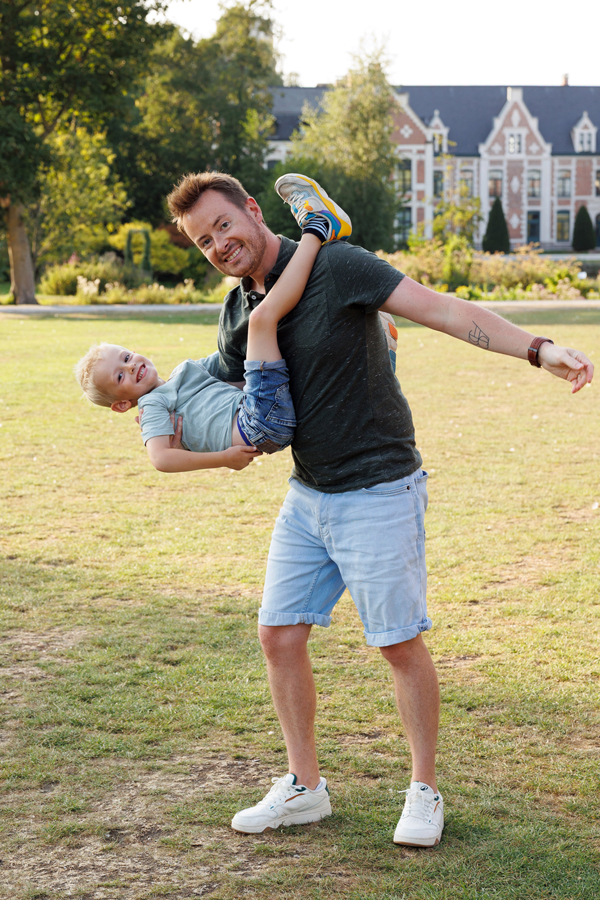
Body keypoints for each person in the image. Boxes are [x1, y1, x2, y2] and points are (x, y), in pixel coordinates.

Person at [166, 171, 594, 846]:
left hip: (378, 487)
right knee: (279, 634)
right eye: (203, 240)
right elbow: (214, 384)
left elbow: (446, 310)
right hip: (309, 493)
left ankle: (424, 790)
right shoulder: (238, 308)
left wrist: (538, 350)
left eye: (224, 225)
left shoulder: (337, 266)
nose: (219, 244)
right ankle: (305, 788)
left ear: (252, 211)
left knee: (396, 643)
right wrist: (142, 402)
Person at [74, 191, 352, 474]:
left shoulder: (184, 374)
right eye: (120, 375)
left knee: (291, 357)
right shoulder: (153, 405)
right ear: (122, 405)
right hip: (257, 423)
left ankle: (367, 338)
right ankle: (317, 229)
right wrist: (223, 458)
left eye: (126, 356)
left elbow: (236, 364)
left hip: (269, 415)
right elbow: (161, 460)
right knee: (264, 318)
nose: (131, 366)